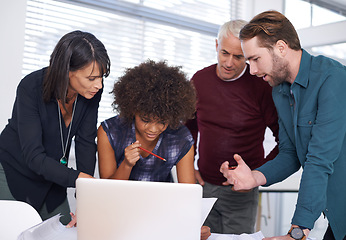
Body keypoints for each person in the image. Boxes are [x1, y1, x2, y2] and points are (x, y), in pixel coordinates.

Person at [220, 10, 346, 240]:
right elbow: (291, 154)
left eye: (255, 59)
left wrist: (297, 231)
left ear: (280, 47)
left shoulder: (333, 79)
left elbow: (319, 159)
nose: (253, 70)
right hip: (337, 215)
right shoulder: (279, 90)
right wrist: (255, 177)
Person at [0, 30, 111, 225]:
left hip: (52, 176)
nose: (99, 85)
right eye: (92, 78)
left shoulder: (90, 93)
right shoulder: (31, 87)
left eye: (101, 77)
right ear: (67, 72)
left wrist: (85, 198)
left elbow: (85, 142)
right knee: (17, 230)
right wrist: (78, 178)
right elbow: (33, 157)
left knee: (67, 231)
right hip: (14, 170)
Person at [97, 60, 211, 240]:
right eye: (146, 119)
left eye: (162, 122)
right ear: (132, 109)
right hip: (119, 214)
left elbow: (188, 196)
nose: (153, 129)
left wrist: (192, 227)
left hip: (162, 215)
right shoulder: (110, 131)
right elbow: (108, 193)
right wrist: (126, 164)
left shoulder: (181, 138)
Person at [185, 20, 279, 234]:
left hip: (241, 193)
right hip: (204, 186)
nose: (228, 62)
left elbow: (285, 140)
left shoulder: (261, 85)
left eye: (238, 57)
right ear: (217, 45)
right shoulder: (199, 80)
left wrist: (257, 174)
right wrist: (189, 165)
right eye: (224, 53)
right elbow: (188, 128)